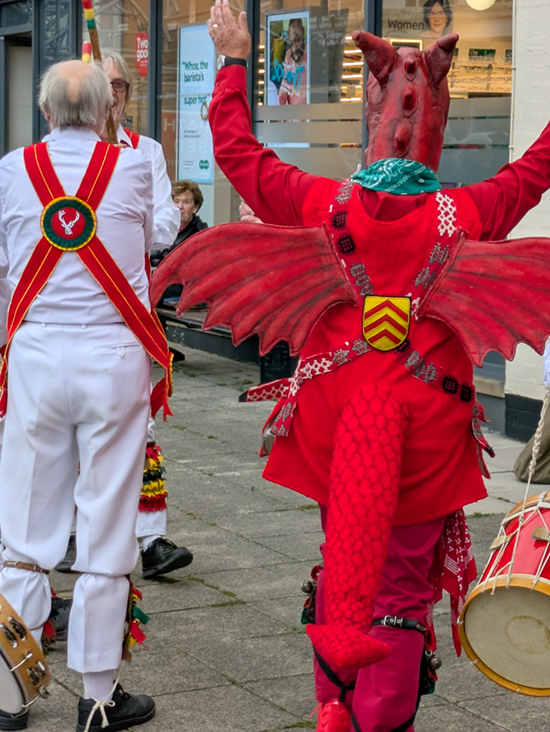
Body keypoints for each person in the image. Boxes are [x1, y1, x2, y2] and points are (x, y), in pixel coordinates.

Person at [204, 3, 550, 731]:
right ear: (438, 125)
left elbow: (237, 155)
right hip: (427, 433)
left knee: (344, 562)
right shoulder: (467, 211)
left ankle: (333, 704)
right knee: (397, 588)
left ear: (371, 116)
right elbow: (536, 169)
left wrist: (235, 61)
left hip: (334, 426)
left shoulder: (322, 203)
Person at [0, 59, 157, 731]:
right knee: (106, 523)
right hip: (111, 356)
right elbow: (148, 243)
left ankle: (9, 696)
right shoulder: (134, 167)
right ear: (105, 110)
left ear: (43, 113)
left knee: (22, 532)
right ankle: (97, 699)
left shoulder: (10, 170)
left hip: (36, 354)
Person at [56, 50, 192, 581]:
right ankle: (68, 535)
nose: (111, 96)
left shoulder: (143, 152)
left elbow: (163, 228)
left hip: (126, 310)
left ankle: (150, 539)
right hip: (65, 308)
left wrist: (121, 207)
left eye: (119, 86)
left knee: (139, 425)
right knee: (66, 428)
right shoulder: (55, 157)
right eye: (101, 86)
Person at [278, 18, 308, 105]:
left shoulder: (309, 53)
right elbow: (285, 84)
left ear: (303, 32)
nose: (296, 46)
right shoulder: (289, 55)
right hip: (292, 113)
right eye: (292, 42)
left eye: (298, 40)